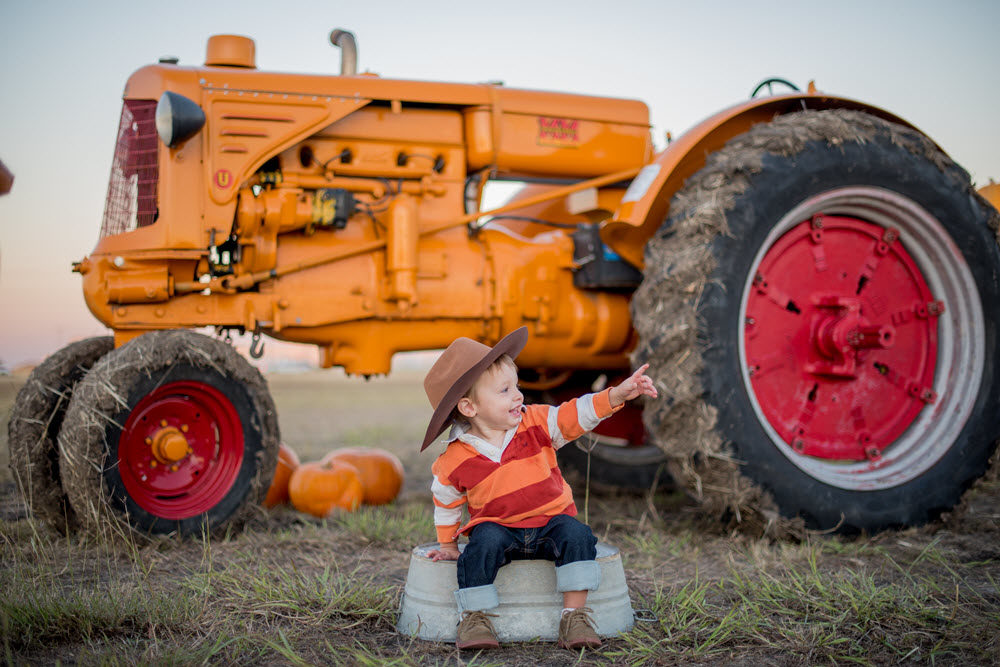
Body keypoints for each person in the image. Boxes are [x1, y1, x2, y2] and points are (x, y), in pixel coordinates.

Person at [420, 327, 657, 650]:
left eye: (516, 387)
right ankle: (475, 619)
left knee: (577, 535)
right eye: (505, 390)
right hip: (498, 528)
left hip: (550, 523)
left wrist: (616, 395)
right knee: (479, 547)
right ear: (469, 408)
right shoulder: (454, 458)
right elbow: (445, 500)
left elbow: (578, 413)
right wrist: (447, 544)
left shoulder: (537, 422)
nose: (518, 395)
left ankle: (574, 616)